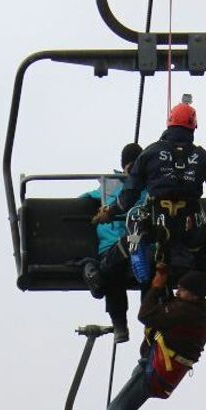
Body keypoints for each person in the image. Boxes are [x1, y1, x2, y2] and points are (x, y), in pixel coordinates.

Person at [74, 263, 206, 410]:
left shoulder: (184, 311)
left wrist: (157, 286)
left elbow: (146, 315)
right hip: (156, 368)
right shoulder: (199, 311)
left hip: (154, 371)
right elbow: (167, 311)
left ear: (194, 294)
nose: (178, 292)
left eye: (183, 290)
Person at [92, 96, 206, 282]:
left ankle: (104, 270)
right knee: (200, 256)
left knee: (134, 230)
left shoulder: (150, 153)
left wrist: (110, 211)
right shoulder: (203, 158)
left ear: (169, 124)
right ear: (194, 127)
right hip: (189, 228)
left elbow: (128, 195)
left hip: (156, 224)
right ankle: (198, 287)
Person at [80, 143, 146, 343]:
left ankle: (150, 324)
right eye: (131, 167)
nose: (134, 172)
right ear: (124, 167)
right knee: (113, 271)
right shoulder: (111, 186)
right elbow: (83, 200)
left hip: (142, 246)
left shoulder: (150, 187)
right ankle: (119, 323)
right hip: (113, 247)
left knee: (152, 271)